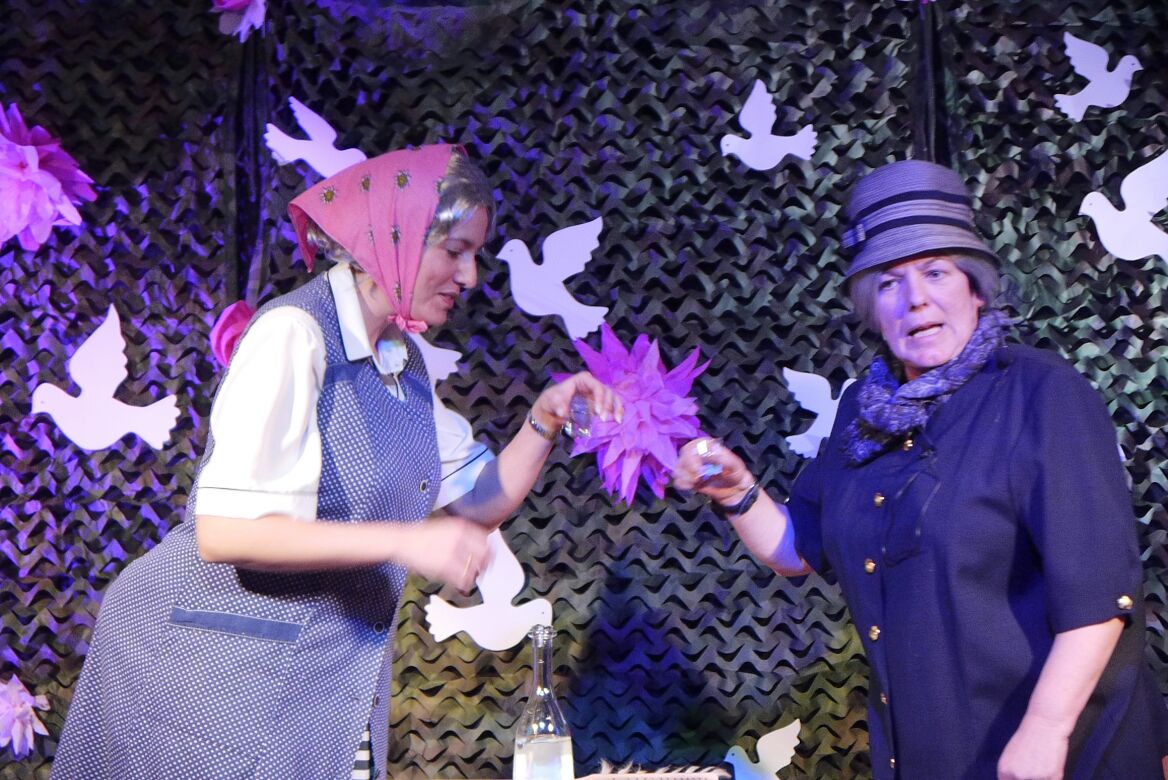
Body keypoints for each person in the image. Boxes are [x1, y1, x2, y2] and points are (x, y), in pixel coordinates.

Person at [52, 144, 619, 780]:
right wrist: (406, 540)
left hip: (318, 685)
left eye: (476, 254)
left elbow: (479, 500)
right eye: (455, 250)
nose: (470, 276)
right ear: (395, 239)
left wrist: (543, 420)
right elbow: (225, 532)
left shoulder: (400, 362)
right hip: (204, 674)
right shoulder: (294, 333)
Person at [673, 159, 1165, 779]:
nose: (916, 299)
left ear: (975, 287)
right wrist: (737, 491)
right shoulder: (862, 411)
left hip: (1061, 752)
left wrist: (1046, 730)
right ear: (872, 310)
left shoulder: (1042, 394)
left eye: (935, 271)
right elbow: (800, 547)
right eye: (889, 282)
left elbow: (1101, 594)